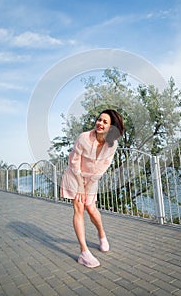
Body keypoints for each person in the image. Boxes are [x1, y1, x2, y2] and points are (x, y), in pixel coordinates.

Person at [60, 109, 124, 268]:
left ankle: (101, 234)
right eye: (99, 119)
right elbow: (74, 161)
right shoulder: (83, 138)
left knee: (91, 208)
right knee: (79, 207)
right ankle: (84, 252)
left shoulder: (112, 144)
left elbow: (104, 166)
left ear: (111, 127)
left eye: (105, 122)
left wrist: (89, 184)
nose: (100, 123)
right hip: (75, 175)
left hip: (92, 178)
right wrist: (81, 185)